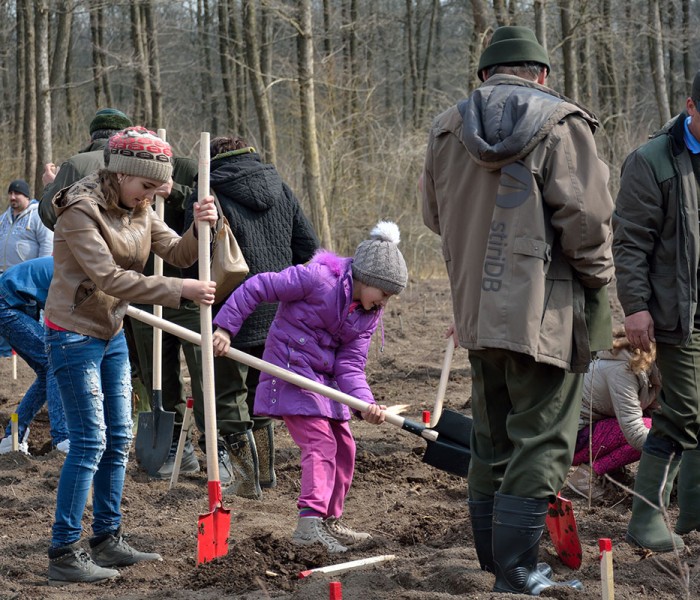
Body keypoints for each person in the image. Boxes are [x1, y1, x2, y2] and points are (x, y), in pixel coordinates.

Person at [422, 26, 614, 595]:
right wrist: (600, 277)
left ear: (483, 76)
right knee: (544, 436)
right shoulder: (563, 125)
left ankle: (496, 561)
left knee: (491, 435)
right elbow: (587, 223)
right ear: (543, 75)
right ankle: (519, 570)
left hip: (476, 309)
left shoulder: (448, 127)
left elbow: (434, 216)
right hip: (545, 312)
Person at [44, 126, 218, 586]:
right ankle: (64, 550)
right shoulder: (79, 211)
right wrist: (180, 290)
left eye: (156, 190)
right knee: (89, 443)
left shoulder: (139, 207)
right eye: (145, 186)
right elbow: (110, 278)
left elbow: (178, 253)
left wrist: (202, 225)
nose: (149, 197)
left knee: (120, 436)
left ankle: (107, 538)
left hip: (112, 330)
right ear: (120, 174)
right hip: (73, 334)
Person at [212, 221, 405, 552]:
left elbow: (350, 365)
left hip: (325, 383)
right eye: (383, 294)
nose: (384, 303)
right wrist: (226, 328)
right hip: (290, 373)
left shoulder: (367, 316)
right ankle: (308, 525)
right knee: (321, 444)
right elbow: (257, 287)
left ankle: (330, 520)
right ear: (367, 279)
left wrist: (365, 404)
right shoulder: (316, 279)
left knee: (344, 446)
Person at [183, 135, 318, 498]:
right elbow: (308, 247)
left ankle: (246, 480)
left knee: (226, 394)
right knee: (261, 390)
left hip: (227, 308)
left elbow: (191, 257)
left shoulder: (206, 192)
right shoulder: (281, 188)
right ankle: (266, 473)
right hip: (276, 309)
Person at [613, 69, 700, 553]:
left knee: (689, 413)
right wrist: (636, 307)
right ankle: (658, 517)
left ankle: (678, 516)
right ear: (690, 107)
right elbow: (629, 243)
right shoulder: (651, 162)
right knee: (686, 412)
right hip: (671, 313)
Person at [565, 330, 660, 503]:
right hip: (573, 441)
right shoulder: (623, 369)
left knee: (658, 427)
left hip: (589, 432)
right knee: (653, 431)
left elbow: (656, 412)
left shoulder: (645, 368)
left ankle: (611, 474)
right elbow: (633, 430)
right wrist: (671, 448)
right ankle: (586, 477)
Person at [0, 257, 69, 455]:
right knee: (55, 362)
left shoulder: (73, 265)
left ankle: (12, 436)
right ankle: (62, 438)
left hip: (16, 303)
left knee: (45, 371)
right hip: (7, 304)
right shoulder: (73, 272)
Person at [39, 107, 133, 231]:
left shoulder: (76, 164)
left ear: (91, 139)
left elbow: (50, 216)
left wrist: (50, 186)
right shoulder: (136, 167)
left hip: (86, 246)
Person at [0, 179, 54, 356]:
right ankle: (5, 356)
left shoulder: (37, 216)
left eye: (17, 194)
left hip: (28, 281)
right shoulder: (4, 218)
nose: (13, 197)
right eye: (10, 193)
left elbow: (47, 246)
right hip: (4, 277)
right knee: (6, 321)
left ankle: (39, 356)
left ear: (26, 196)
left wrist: (39, 276)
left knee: (31, 322)